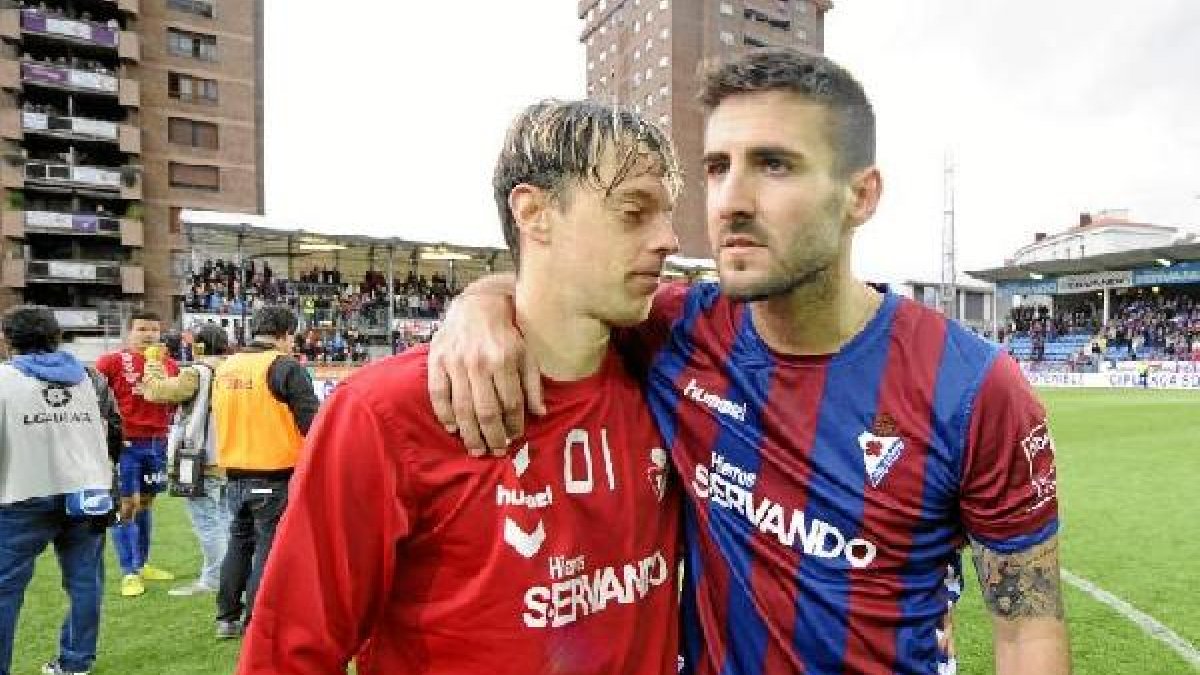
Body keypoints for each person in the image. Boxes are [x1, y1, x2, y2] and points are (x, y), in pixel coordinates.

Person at [429, 49, 1070, 674]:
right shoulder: (676, 331)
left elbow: (1028, 628)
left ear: (861, 195)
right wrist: (480, 303)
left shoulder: (973, 388)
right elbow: (561, 287)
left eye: (773, 165)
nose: (729, 200)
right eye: (717, 167)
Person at [236, 100, 683, 674]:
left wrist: (482, 296)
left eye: (668, 213)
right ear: (534, 213)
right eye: (634, 212)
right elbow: (289, 655)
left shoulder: (669, 374)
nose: (669, 238)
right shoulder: (386, 412)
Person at [0, 306, 123, 675]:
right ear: (57, 337)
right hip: (87, 492)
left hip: (21, 493)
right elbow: (114, 431)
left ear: (7, 339)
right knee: (86, 583)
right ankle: (76, 661)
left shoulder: (4, 379)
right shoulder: (91, 378)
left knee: (5, 590)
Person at [212, 305, 318, 639]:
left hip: (234, 472)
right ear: (285, 335)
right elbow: (313, 423)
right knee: (268, 549)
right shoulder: (284, 367)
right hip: (274, 473)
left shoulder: (226, 367)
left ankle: (227, 617)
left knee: (239, 543)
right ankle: (257, 622)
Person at [140, 325, 233, 597]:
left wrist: (153, 363)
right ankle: (231, 575)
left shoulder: (197, 372)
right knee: (225, 520)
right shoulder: (233, 370)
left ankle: (214, 580)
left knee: (207, 522)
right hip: (229, 456)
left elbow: (157, 392)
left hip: (197, 457)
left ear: (199, 346)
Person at [94, 310, 179, 597]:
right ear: (129, 332)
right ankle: (128, 572)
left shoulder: (168, 365)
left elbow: (174, 402)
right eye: (142, 329)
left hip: (157, 442)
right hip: (126, 444)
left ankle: (142, 564)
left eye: (154, 329)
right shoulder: (112, 361)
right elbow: (94, 397)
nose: (149, 334)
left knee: (145, 503)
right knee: (126, 505)